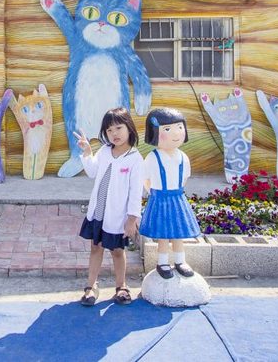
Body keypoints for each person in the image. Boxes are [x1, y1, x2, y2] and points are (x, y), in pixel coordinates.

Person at [75, 107, 144, 306]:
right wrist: (88, 152)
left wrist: (132, 219)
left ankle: (121, 286)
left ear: (129, 128)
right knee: (95, 247)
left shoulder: (135, 159)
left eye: (118, 128)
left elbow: (135, 193)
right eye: (109, 130)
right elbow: (92, 172)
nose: (114, 134)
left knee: (116, 251)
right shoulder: (105, 152)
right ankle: (91, 286)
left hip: (117, 216)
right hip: (98, 212)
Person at [140, 107, 201, 279]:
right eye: (167, 129)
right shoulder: (153, 157)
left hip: (177, 197)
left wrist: (177, 192)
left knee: (178, 232)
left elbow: (185, 178)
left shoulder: (183, 156)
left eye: (179, 127)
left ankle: (180, 261)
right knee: (163, 234)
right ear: (154, 133)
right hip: (160, 198)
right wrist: (154, 193)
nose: (176, 133)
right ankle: (162, 262)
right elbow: (146, 180)